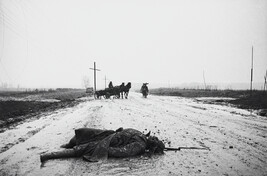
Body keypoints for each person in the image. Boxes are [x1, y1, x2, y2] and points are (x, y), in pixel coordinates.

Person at [40, 127, 165, 163]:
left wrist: (103, 148)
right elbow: (122, 150)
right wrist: (104, 148)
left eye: (155, 139)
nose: (154, 137)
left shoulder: (140, 139)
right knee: (85, 139)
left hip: (107, 139)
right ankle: (62, 148)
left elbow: (121, 150)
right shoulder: (141, 142)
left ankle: (48, 155)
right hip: (108, 138)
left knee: (82, 144)